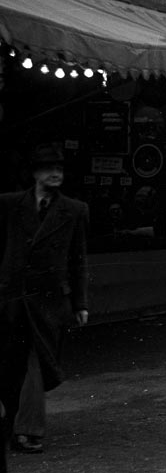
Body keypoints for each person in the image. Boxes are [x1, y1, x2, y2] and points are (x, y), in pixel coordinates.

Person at [0, 145, 89, 458]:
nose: (56, 174)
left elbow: (78, 260)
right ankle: (14, 421)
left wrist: (80, 304)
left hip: (49, 303)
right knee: (10, 367)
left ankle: (27, 431)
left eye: (60, 169)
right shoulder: (10, 205)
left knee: (37, 366)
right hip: (11, 299)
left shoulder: (75, 210)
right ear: (34, 173)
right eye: (49, 168)